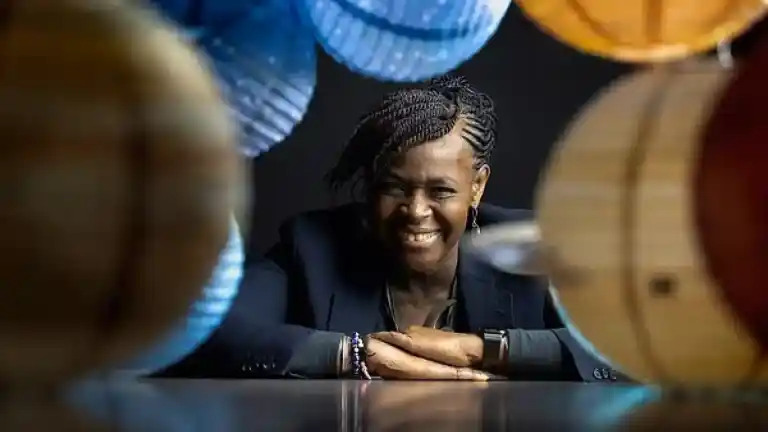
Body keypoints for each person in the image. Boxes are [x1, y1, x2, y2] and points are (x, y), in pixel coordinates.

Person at [156, 76, 622, 382]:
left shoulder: (532, 251)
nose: (415, 211)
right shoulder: (312, 246)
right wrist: (356, 355)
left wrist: (481, 350)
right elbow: (211, 331)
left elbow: (628, 345)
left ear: (477, 187)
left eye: (440, 191)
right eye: (394, 188)